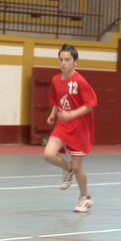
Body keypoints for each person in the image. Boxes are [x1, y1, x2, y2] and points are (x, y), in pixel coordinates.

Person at [43, 44, 97, 213]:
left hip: (79, 128)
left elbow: (91, 104)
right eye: (61, 59)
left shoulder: (80, 81)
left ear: (75, 63)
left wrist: (71, 115)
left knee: (78, 167)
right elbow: (56, 100)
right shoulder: (55, 80)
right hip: (62, 125)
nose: (63, 63)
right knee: (48, 154)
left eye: (67, 60)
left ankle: (85, 198)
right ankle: (67, 170)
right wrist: (53, 113)